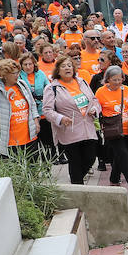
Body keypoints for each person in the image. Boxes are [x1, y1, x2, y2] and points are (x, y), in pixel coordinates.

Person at [44, 55, 99, 184]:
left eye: (69, 65)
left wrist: (95, 109)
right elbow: (47, 110)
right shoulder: (52, 88)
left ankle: (77, 179)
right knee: (75, 162)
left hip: (88, 128)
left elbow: (94, 100)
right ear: (58, 70)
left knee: (90, 158)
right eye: (63, 66)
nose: (67, 68)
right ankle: (77, 186)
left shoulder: (82, 82)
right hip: (69, 131)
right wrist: (60, 118)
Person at [93, 66, 128, 194]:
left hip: (127, 128)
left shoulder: (125, 89)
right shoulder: (100, 92)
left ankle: (114, 179)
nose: (117, 82)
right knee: (124, 154)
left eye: (119, 79)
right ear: (107, 79)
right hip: (112, 129)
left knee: (120, 155)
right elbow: (96, 108)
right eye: (114, 80)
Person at [0, 58, 40, 159]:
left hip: (29, 138)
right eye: (14, 73)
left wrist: (36, 121)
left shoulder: (22, 84)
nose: (17, 75)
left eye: (18, 72)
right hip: (9, 141)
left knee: (32, 170)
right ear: (4, 75)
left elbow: (32, 104)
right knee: (14, 171)